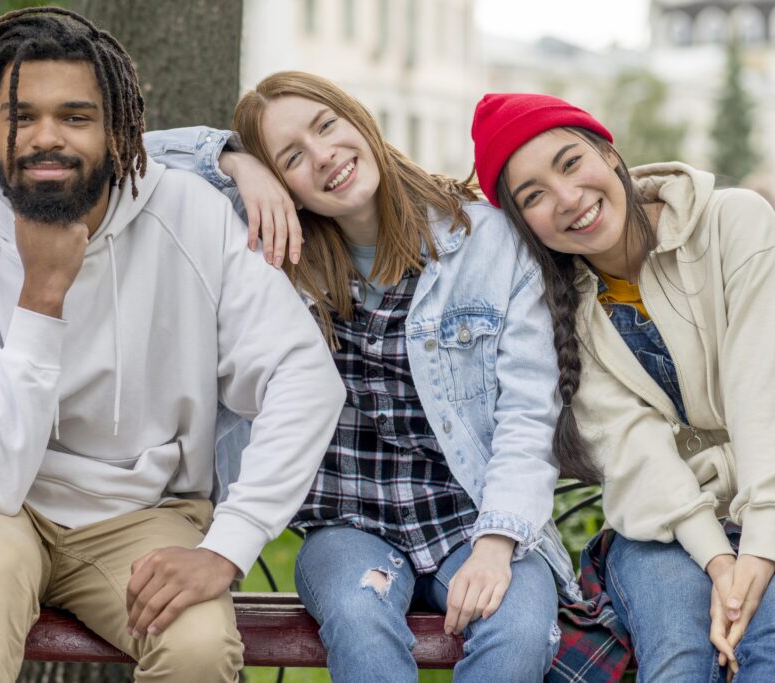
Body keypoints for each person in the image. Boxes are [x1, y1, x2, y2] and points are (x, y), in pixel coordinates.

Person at [0, 9, 344, 682]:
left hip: (142, 512)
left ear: (118, 129)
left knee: (197, 647)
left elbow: (304, 376)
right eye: (22, 116)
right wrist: (42, 295)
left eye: (75, 116)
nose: (47, 138)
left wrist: (228, 545)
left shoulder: (192, 218)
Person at [146, 71, 609, 683]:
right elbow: (128, 156)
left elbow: (529, 413)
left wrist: (498, 544)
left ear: (357, 118)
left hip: (474, 517)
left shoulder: (486, 241)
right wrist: (234, 161)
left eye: (326, 126)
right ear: (282, 184)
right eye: (291, 157)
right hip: (348, 526)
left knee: (521, 633)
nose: (323, 156)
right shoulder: (274, 253)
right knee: (360, 622)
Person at [470, 92, 775, 681]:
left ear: (608, 154)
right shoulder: (557, 307)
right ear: (521, 222)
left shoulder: (732, 222)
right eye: (533, 196)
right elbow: (634, 449)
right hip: (664, 527)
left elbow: (772, 395)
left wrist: (756, 552)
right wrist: (718, 562)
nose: (567, 199)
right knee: (679, 655)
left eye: (569, 163)